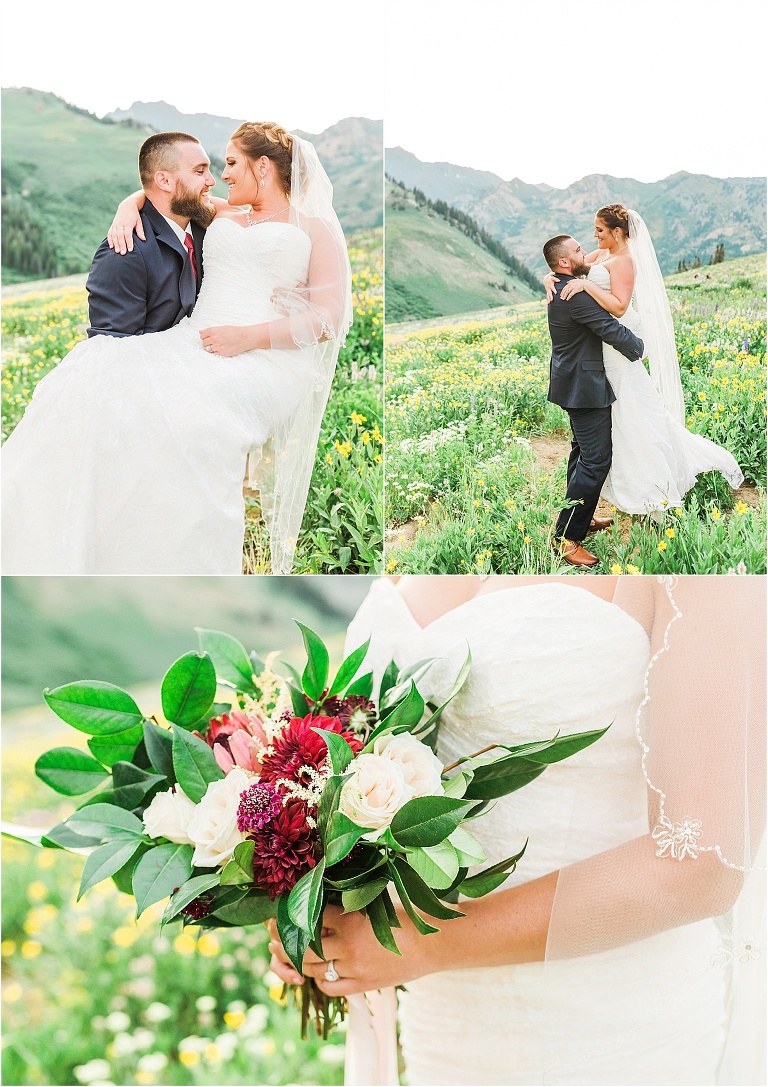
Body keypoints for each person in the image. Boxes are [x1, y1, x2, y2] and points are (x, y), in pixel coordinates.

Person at [268, 574, 766, 1087]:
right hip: (443, 1025)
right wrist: (306, 893)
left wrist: (421, 943)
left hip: (603, 1031)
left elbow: (703, 864)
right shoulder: (420, 531)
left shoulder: (702, 566)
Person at [1, 122, 352, 575]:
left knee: (195, 422)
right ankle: (85, 531)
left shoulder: (316, 230)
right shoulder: (223, 213)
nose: (223, 175)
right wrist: (127, 206)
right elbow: (163, 191)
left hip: (265, 354)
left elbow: (329, 319)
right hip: (194, 339)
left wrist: (248, 336)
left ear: (263, 167)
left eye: (232, 163)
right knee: (98, 380)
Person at [545, 204, 744, 520]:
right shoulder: (601, 254)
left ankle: (652, 490)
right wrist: (550, 276)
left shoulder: (624, 261)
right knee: (590, 443)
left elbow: (620, 308)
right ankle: (581, 512)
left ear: (617, 232)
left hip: (615, 347)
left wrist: (587, 285)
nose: (594, 235)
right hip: (597, 354)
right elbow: (571, 263)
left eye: (599, 230)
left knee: (634, 422)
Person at [542, 235, 646, 568]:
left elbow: (593, 259)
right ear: (563, 262)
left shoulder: (560, 284)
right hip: (584, 387)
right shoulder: (574, 295)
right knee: (596, 459)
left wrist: (548, 275)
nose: (584, 252)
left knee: (581, 453)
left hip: (571, 381)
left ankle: (580, 520)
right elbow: (609, 328)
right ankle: (566, 539)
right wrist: (642, 347)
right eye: (577, 250)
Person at [86, 132, 212, 337]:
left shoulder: (210, 229)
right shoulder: (125, 251)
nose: (211, 181)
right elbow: (113, 347)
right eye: (200, 171)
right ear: (164, 180)